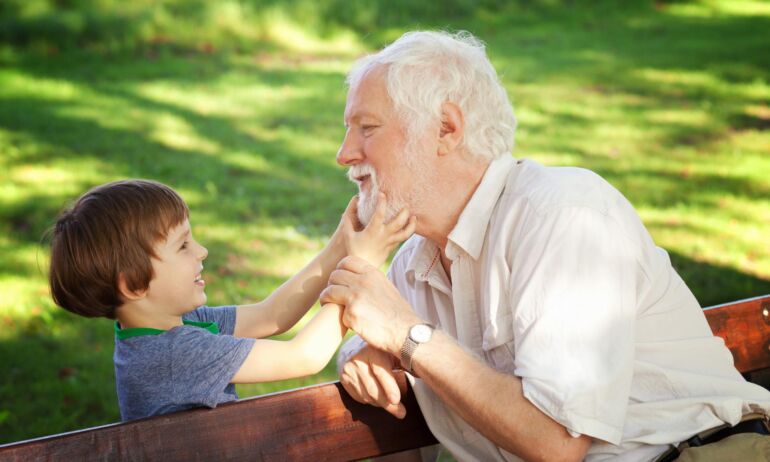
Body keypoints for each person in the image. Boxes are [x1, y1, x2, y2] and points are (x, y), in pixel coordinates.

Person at [321, 30, 770, 461]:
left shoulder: (563, 214)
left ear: (446, 128)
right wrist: (367, 356)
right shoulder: (412, 266)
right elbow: (398, 428)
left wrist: (408, 337)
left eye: (367, 128)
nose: (344, 153)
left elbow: (555, 443)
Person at [48, 179, 414, 421]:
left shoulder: (170, 327)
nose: (202, 251)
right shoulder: (175, 355)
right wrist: (361, 265)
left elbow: (272, 316)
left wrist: (340, 245)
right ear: (133, 286)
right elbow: (304, 356)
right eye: (183, 245)